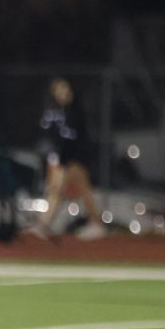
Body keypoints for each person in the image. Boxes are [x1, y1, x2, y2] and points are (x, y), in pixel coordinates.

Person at [29, 77, 107, 241]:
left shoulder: (75, 110)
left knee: (63, 191)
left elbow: (77, 139)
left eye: (64, 89)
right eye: (58, 91)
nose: (62, 94)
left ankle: (43, 225)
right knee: (67, 191)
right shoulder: (61, 112)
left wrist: (69, 159)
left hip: (77, 159)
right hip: (69, 159)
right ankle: (95, 224)